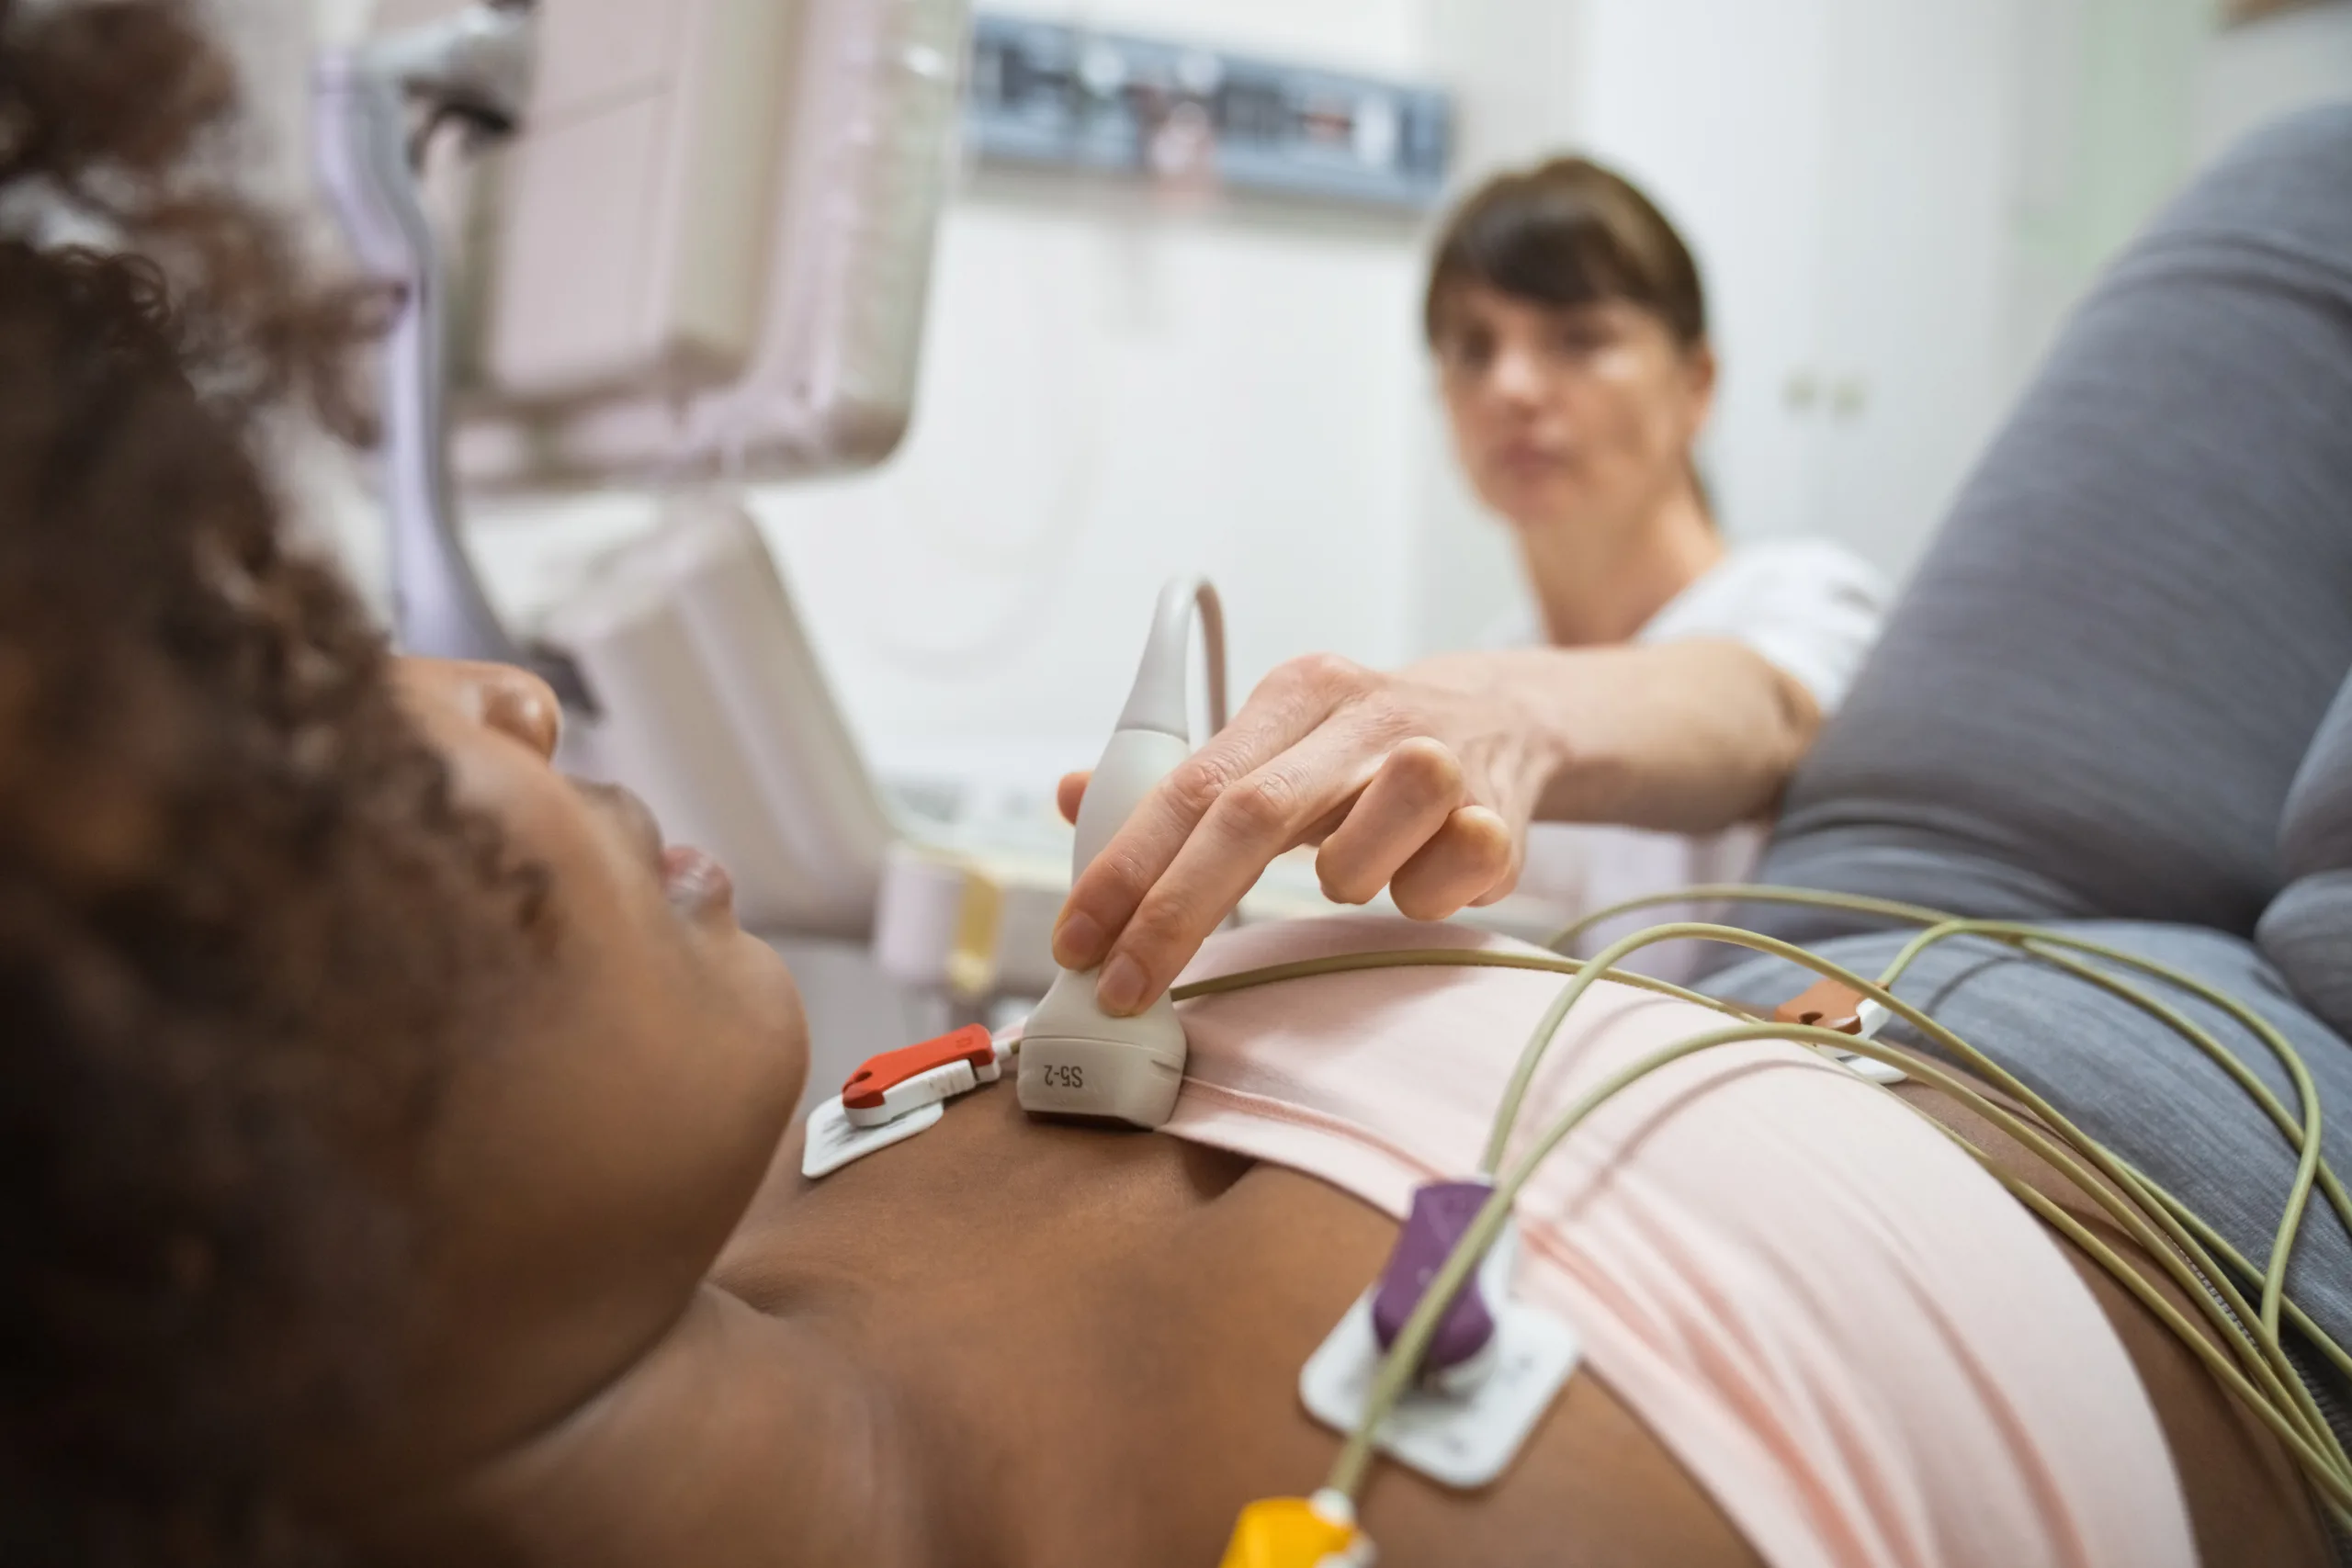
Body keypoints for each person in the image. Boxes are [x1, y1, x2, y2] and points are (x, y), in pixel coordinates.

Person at [2, 6, 2339, 1568]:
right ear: (150, 1214)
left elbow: (1767, 679)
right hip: (2251, 1166)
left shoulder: (660, 1248)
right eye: (308, 706)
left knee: (2302, 184)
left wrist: (1510, 713)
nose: (496, 695)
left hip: (1877, 906)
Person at [1050, 156, 1887, 1012]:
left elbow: (1760, 708)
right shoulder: (1486, 665)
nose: (1512, 386)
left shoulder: (1810, 602)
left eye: (1578, 338)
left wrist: (1505, 715)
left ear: (1696, 382)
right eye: (1472, 348)